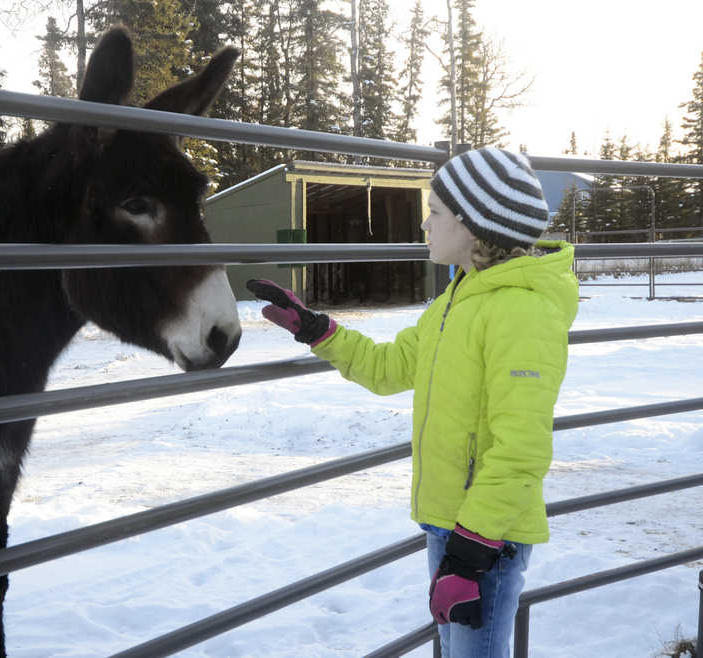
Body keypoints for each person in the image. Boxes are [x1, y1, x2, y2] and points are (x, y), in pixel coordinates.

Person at [247, 146, 579, 658]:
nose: (424, 224)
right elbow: (389, 369)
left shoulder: (522, 312)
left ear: (473, 225)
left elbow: (523, 446)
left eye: (435, 213)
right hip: (450, 524)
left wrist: (472, 553)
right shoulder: (454, 302)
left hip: (486, 537)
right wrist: (317, 330)